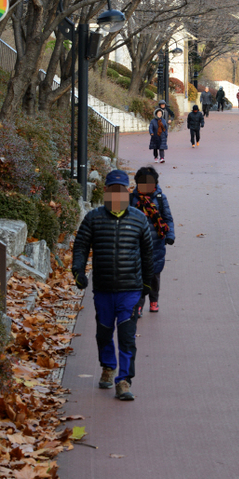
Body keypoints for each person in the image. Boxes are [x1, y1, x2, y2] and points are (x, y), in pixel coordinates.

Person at [72, 169, 154, 401]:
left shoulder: (139, 219)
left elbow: (148, 255)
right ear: (107, 191)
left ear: (127, 192)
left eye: (121, 190)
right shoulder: (93, 218)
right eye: (113, 190)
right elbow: (80, 247)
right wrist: (78, 271)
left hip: (131, 290)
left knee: (127, 336)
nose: (117, 194)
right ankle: (108, 367)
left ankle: (124, 381)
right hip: (104, 289)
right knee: (104, 332)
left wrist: (146, 286)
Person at [130, 165, 175, 315]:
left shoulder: (160, 199)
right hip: (137, 243)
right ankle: (139, 304)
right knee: (139, 275)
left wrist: (170, 235)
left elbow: (167, 218)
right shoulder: (132, 199)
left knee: (155, 275)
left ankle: (154, 300)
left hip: (157, 244)